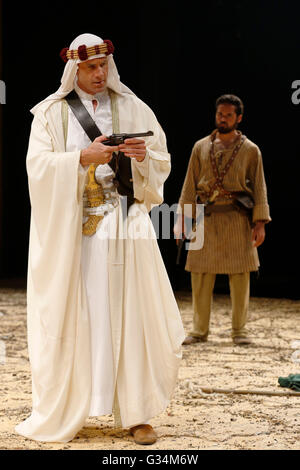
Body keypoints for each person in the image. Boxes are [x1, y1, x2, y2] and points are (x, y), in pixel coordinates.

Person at [15, 33, 185, 445]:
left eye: (103, 65)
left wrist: (143, 157)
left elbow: (160, 158)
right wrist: (80, 158)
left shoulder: (131, 105)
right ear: (74, 69)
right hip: (75, 235)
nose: (99, 73)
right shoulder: (51, 115)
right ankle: (72, 409)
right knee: (82, 316)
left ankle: (138, 412)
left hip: (126, 229)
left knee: (134, 315)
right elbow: (36, 168)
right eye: (90, 67)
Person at [174, 94, 271, 346]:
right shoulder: (200, 147)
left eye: (228, 115)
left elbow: (259, 187)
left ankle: (240, 330)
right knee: (200, 273)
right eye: (220, 114)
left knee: (240, 275)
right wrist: (182, 220)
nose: (223, 119)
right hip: (206, 218)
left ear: (239, 118)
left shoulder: (251, 150)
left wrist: (259, 222)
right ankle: (198, 330)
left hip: (237, 218)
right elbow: (189, 184)